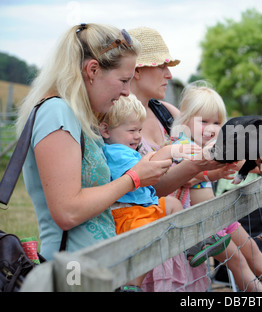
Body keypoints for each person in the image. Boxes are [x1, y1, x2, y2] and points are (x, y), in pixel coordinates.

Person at [16, 23, 173, 262]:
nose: (126, 92)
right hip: (74, 272)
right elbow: (67, 212)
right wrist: (134, 178)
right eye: (123, 80)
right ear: (92, 70)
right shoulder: (56, 112)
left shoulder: (74, 116)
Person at [128, 26, 226, 292]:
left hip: (178, 241)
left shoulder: (166, 113)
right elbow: (143, 187)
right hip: (147, 244)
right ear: (136, 70)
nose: (169, 75)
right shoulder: (118, 123)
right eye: (162, 67)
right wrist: (198, 166)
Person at [170, 81, 262, 292]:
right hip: (201, 224)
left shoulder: (213, 148)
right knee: (238, 262)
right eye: (203, 121)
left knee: (251, 249)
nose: (211, 128)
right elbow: (187, 179)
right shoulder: (182, 147)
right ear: (186, 120)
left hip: (218, 216)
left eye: (217, 122)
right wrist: (213, 173)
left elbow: (242, 163)